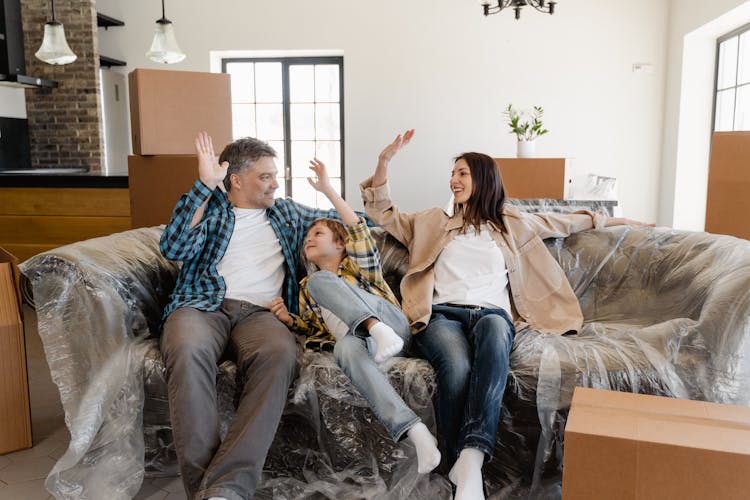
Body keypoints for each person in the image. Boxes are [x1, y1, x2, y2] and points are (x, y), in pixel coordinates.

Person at [360, 130, 650, 500]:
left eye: (463, 173)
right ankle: (459, 473)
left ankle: (471, 458)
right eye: (453, 174)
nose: (454, 180)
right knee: (457, 367)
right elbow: (381, 212)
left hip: (492, 314)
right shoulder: (431, 221)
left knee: (497, 338)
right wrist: (385, 162)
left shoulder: (512, 223)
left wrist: (623, 223)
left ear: (484, 179)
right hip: (442, 315)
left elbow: (568, 221)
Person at [159, 132, 347, 500]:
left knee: (280, 355)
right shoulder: (210, 208)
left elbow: (355, 226)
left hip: (262, 314)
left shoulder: (287, 212)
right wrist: (202, 186)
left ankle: (225, 487)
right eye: (266, 176)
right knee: (185, 349)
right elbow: (173, 246)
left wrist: (328, 190)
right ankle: (212, 491)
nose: (276, 183)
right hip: (201, 304)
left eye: (275, 175)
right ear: (236, 180)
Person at [269, 158, 442, 475]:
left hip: (392, 326)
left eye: (318, 233)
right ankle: (415, 431)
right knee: (344, 348)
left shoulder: (360, 267)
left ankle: (376, 328)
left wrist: (327, 190)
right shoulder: (308, 288)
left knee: (324, 280)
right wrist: (289, 320)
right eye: (308, 235)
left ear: (340, 245)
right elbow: (313, 328)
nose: (309, 238)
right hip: (362, 342)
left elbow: (358, 229)